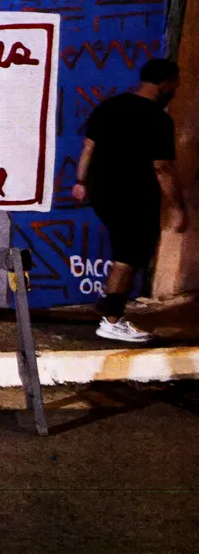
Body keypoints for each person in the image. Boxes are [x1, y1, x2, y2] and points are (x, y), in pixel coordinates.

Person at [71, 58, 186, 342]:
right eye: (175, 83)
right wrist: (177, 207)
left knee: (127, 253)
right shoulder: (159, 119)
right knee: (128, 256)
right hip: (133, 197)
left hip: (103, 192)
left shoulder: (110, 106)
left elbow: (88, 148)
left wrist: (80, 182)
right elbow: (163, 168)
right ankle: (111, 320)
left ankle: (109, 308)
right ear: (166, 83)